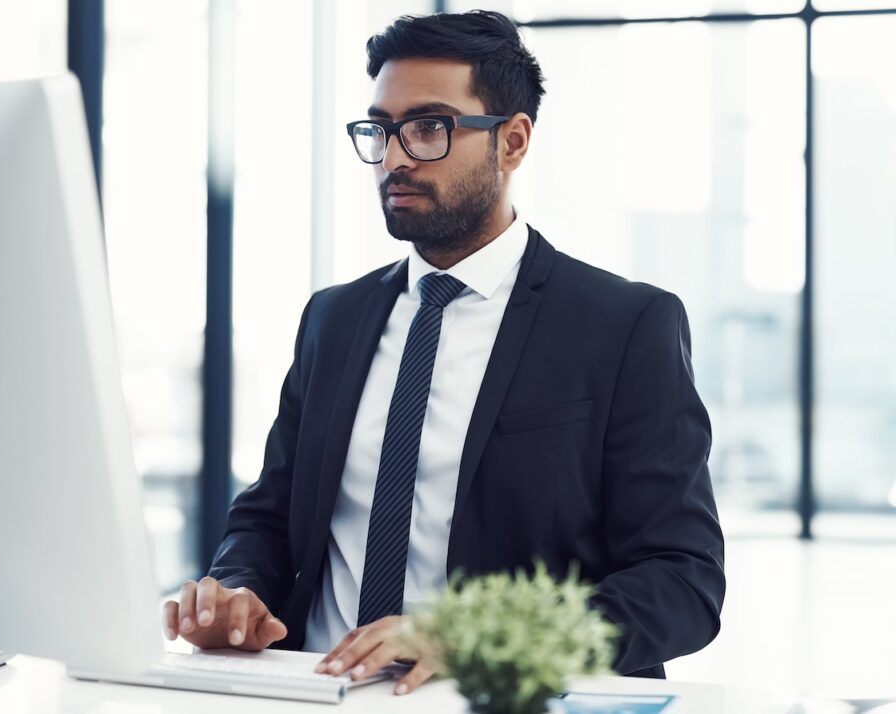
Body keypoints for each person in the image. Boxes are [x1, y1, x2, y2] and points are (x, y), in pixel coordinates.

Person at [163, 10, 725, 697]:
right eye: (382, 130)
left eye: (429, 128)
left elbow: (681, 580)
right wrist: (237, 594)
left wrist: (473, 637)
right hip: (313, 692)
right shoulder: (332, 319)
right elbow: (271, 515)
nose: (396, 157)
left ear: (513, 141)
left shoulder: (623, 325)